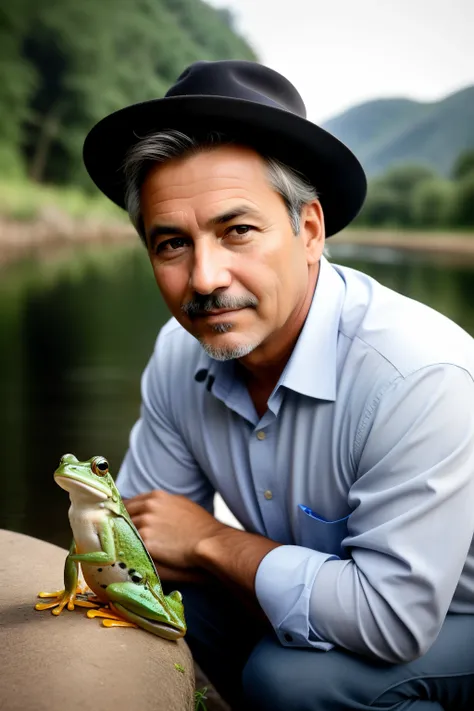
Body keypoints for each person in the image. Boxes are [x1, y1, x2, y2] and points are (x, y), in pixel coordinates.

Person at [83, 60, 474, 710]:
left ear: (310, 230)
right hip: (343, 603)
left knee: (288, 679)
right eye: (172, 244)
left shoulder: (417, 373)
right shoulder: (180, 355)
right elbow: (138, 546)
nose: (204, 278)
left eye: (237, 231)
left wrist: (209, 540)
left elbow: (394, 618)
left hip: (449, 620)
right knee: (151, 612)